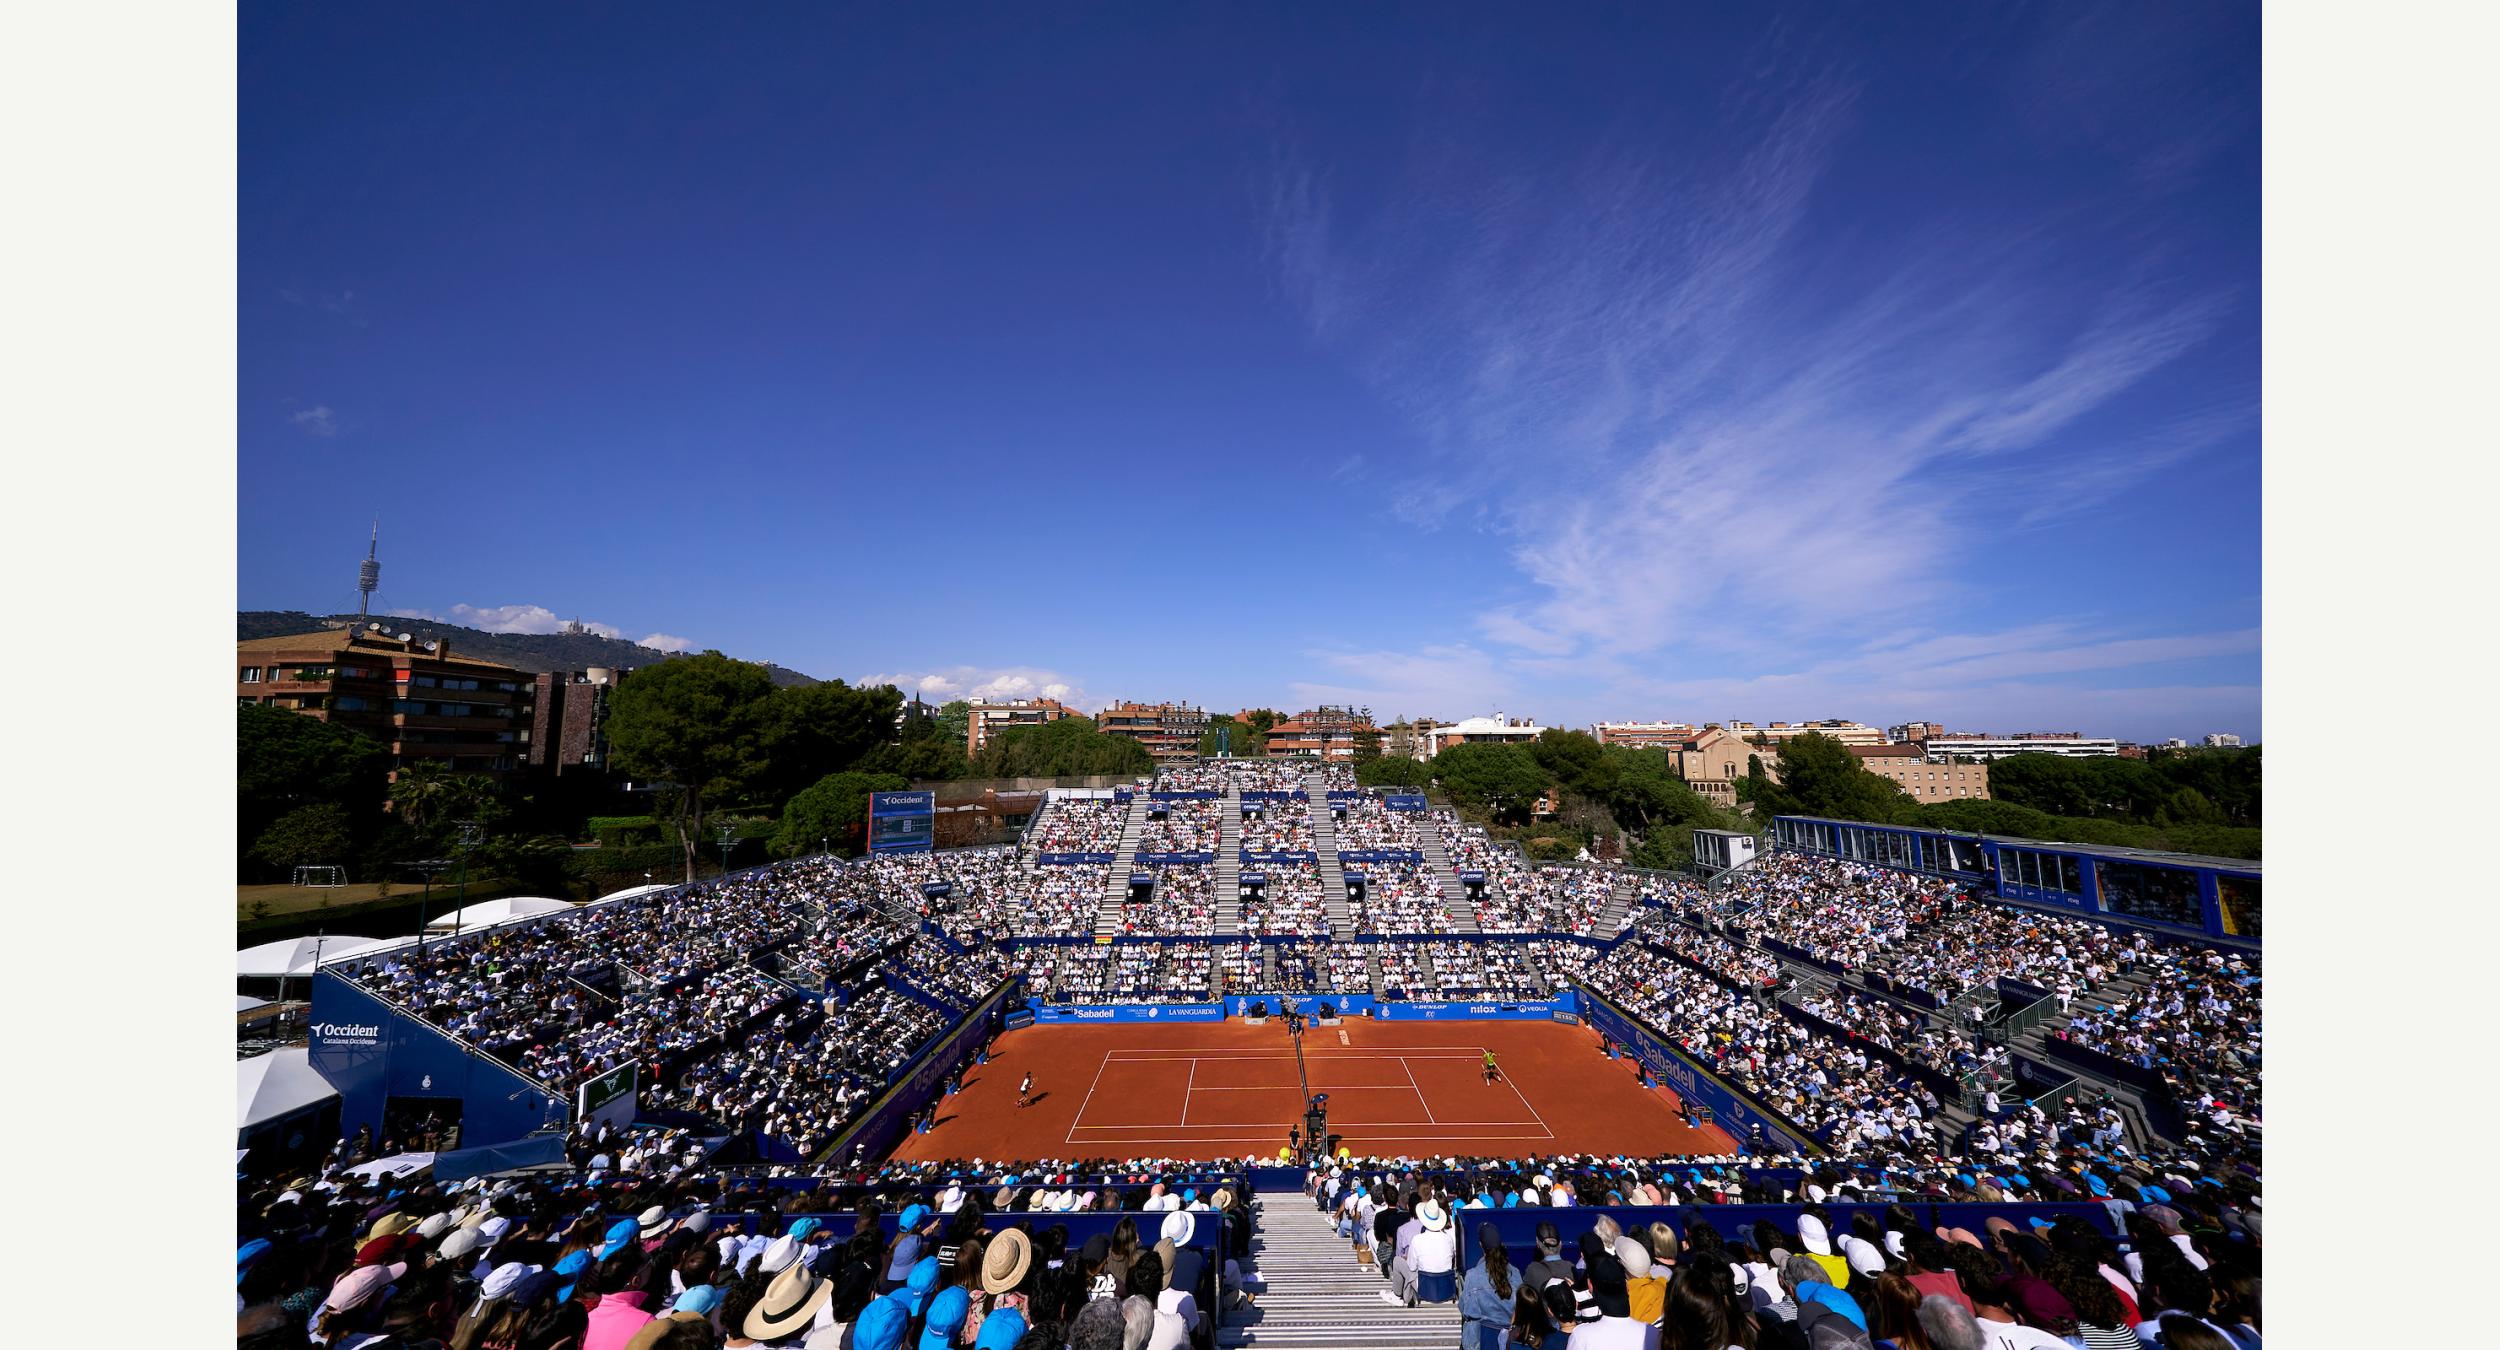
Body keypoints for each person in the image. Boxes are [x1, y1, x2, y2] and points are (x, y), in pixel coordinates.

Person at [1462, 1226, 1522, 1350]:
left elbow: (1466, 1309)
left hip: (1482, 1339)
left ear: (1480, 1245)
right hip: (1510, 1338)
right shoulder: (1515, 1273)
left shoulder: (1472, 1275)